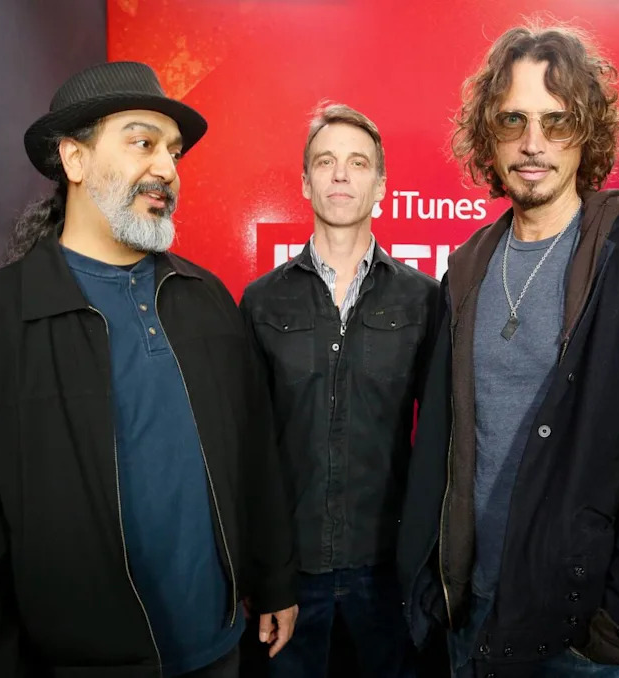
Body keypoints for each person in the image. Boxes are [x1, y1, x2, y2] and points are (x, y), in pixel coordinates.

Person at [396, 22, 619, 677]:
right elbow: (445, 441)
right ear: (486, 132)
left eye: (557, 121)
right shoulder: (465, 268)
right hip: (472, 614)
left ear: (588, 132)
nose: (532, 143)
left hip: (579, 631)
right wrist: (433, 585)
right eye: (512, 120)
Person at [0, 61, 298, 677]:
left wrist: (273, 579)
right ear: (75, 160)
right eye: (143, 142)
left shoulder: (208, 299)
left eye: (173, 152)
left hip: (220, 650)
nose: (167, 169)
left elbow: (254, 454)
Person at [240, 103, 438, 678]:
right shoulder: (261, 301)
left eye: (358, 163)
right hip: (290, 576)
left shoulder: (423, 300)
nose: (341, 175)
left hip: (389, 572)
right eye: (325, 162)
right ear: (305, 183)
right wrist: (266, 572)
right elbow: (248, 449)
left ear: (381, 184)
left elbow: (443, 445)